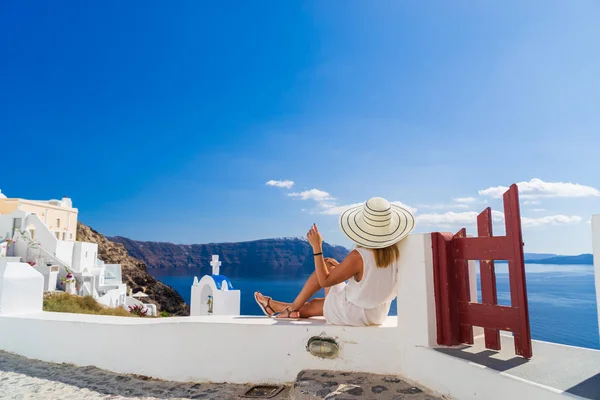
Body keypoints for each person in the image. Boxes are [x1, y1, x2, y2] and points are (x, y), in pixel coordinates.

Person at [254, 196, 415, 326]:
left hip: (354, 315)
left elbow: (324, 281)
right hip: (377, 314)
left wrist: (317, 246)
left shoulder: (358, 256)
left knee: (325, 269)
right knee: (329, 270)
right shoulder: (396, 253)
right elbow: (373, 278)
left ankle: (291, 308)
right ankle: (276, 306)